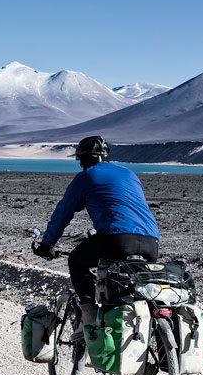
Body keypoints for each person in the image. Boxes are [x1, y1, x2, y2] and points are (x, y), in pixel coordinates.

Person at [32, 136, 160, 332]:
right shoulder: (129, 174)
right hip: (151, 242)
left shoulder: (86, 177)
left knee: (76, 260)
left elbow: (63, 213)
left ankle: (89, 319)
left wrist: (47, 245)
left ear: (83, 159)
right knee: (130, 283)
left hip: (116, 239)